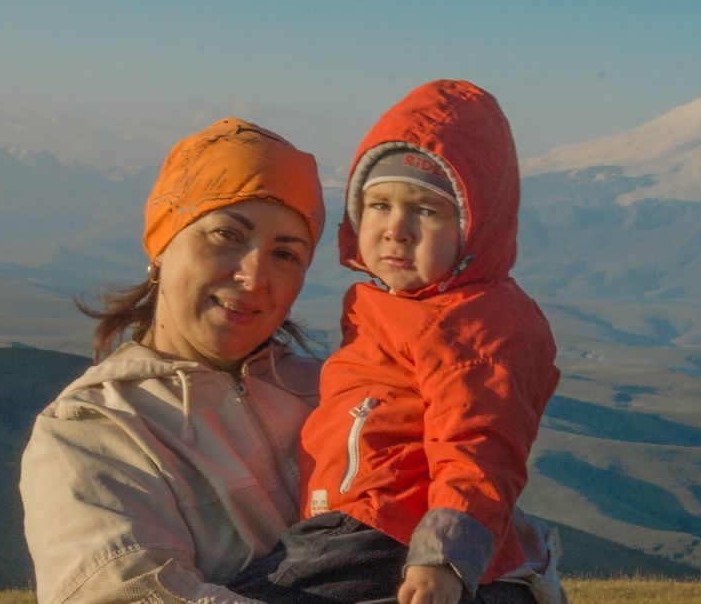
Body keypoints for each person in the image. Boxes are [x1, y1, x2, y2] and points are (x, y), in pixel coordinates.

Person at [232, 81, 564, 604]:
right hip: (359, 523)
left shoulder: (477, 322)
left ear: (476, 226)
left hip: (387, 530)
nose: (396, 229)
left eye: (426, 211)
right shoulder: (399, 304)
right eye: (378, 204)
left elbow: (480, 446)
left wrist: (445, 555)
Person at [20, 117, 327, 604]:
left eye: (286, 255)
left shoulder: (335, 397)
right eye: (228, 235)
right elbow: (126, 590)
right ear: (162, 244)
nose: (254, 275)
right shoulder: (93, 431)